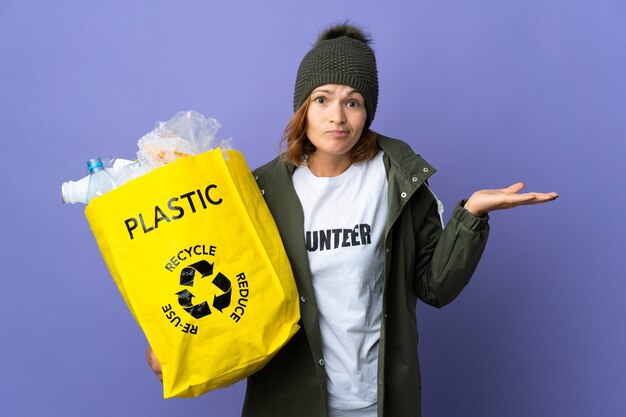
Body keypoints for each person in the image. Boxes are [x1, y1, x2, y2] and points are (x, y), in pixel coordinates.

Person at [147, 23, 558, 417]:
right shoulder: (262, 190)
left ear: (367, 112)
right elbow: (229, 286)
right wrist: (175, 341)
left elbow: (435, 287)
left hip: (377, 404)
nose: (337, 117)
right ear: (303, 108)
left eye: (353, 101)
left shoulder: (399, 178)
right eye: (322, 99)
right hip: (289, 404)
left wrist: (471, 216)